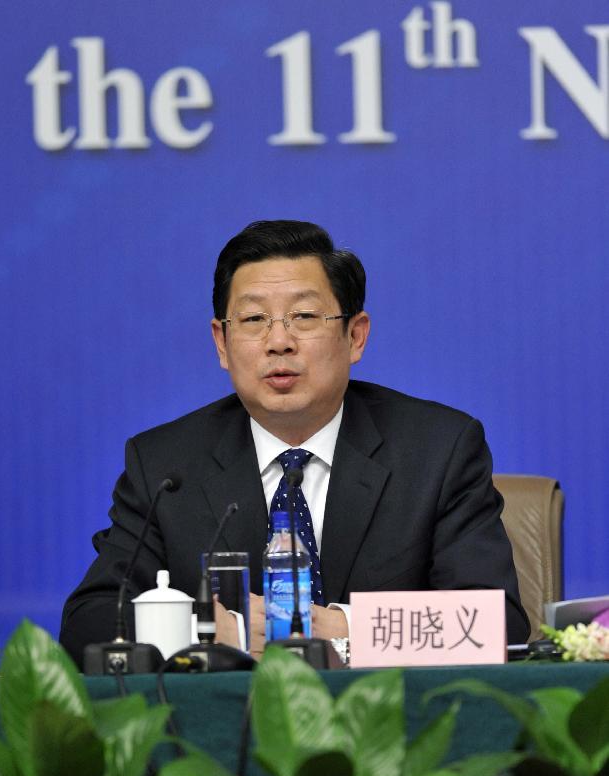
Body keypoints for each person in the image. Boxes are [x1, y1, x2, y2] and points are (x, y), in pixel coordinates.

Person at [60, 220, 529, 667]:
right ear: (222, 342)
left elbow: (495, 622)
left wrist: (344, 627)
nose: (278, 341)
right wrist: (199, 629)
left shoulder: (437, 450)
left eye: (304, 316)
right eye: (253, 319)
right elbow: (89, 621)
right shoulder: (165, 466)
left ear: (356, 336)